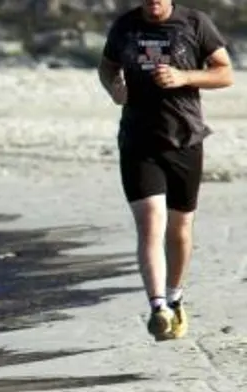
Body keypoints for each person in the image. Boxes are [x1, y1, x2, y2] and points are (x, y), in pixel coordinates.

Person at [99, 0, 234, 340]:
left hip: (184, 139)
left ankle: (175, 296)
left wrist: (183, 76)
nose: (153, 2)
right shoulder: (125, 27)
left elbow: (224, 73)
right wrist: (115, 87)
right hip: (138, 142)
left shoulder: (195, 23)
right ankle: (158, 307)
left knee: (180, 227)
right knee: (150, 224)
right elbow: (107, 67)